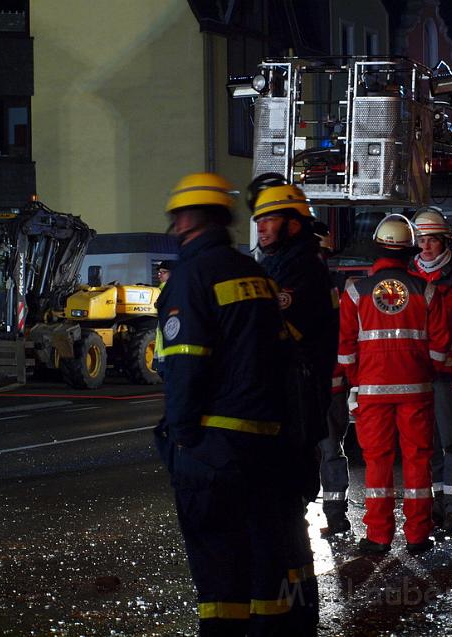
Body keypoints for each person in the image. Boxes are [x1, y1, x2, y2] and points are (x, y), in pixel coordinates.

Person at [154, 172, 314, 636]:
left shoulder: (191, 277)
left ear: (185, 220)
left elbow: (185, 366)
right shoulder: (257, 275)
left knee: (218, 568)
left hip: (214, 447)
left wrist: (183, 440)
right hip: (267, 445)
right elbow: (287, 361)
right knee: (264, 560)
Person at [250, 176, 336, 630]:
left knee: (285, 510)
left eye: (270, 219)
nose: (261, 227)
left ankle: (293, 614)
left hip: (296, 404)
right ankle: (297, 609)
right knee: (287, 516)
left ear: (295, 223)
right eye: (259, 219)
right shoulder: (282, 262)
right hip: (293, 399)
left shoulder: (301, 268)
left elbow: (273, 323)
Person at [338, 214, 450, 554]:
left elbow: (345, 349)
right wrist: (423, 372)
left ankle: (378, 536)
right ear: (409, 250)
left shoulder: (355, 291)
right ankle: (417, 536)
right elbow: (440, 348)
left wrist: (358, 382)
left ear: (377, 247)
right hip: (416, 390)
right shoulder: (428, 291)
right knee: (418, 461)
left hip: (371, 392)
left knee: (378, 463)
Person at [408, 207, 452, 533]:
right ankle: (436, 506)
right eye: (420, 240)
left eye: (431, 240)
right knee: (428, 444)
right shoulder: (407, 280)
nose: (425, 247)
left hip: (450, 375)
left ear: (445, 241)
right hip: (417, 375)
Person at [312, 221, 353, 535]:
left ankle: (335, 515)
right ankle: (335, 516)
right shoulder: (336, 285)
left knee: (328, 450)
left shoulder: (331, 287)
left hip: (325, 385)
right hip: (329, 383)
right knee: (330, 451)